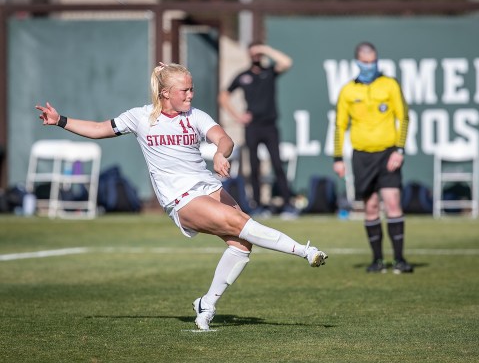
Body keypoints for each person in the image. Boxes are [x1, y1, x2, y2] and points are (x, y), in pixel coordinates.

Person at [35, 62, 327, 331]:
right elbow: (100, 129)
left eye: (191, 89)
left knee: (241, 243)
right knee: (242, 224)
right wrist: (60, 119)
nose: (190, 94)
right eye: (184, 90)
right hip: (180, 198)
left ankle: (206, 304)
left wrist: (219, 155)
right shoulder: (139, 118)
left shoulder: (195, 116)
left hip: (208, 187)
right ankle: (305, 251)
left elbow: (225, 139)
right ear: (165, 93)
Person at [332, 42, 413, 274]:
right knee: (370, 207)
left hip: (388, 153)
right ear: (357, 62)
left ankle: (399, 260)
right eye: (365, 62)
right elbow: (339, 126)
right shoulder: (348, 90)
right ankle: (377, 260)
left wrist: (399, 150)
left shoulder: (390, 84)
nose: (370, 66)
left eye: (373, 61)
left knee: (393, 202)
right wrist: (338, 158)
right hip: (362, 156)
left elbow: (404, 117)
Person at [219, 42, 298, 218]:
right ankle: (258, 205)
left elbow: (287, 62)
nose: (256, 56)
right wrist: (237, 116)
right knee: (254, 166)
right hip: (252, 127)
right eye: (253, 53)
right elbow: (223, 96)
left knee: (277, 164)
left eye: (258, 53)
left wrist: (265, 49)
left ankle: (287, 204)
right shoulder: (243, 76)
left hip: (270, 126)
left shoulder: (269, 72)